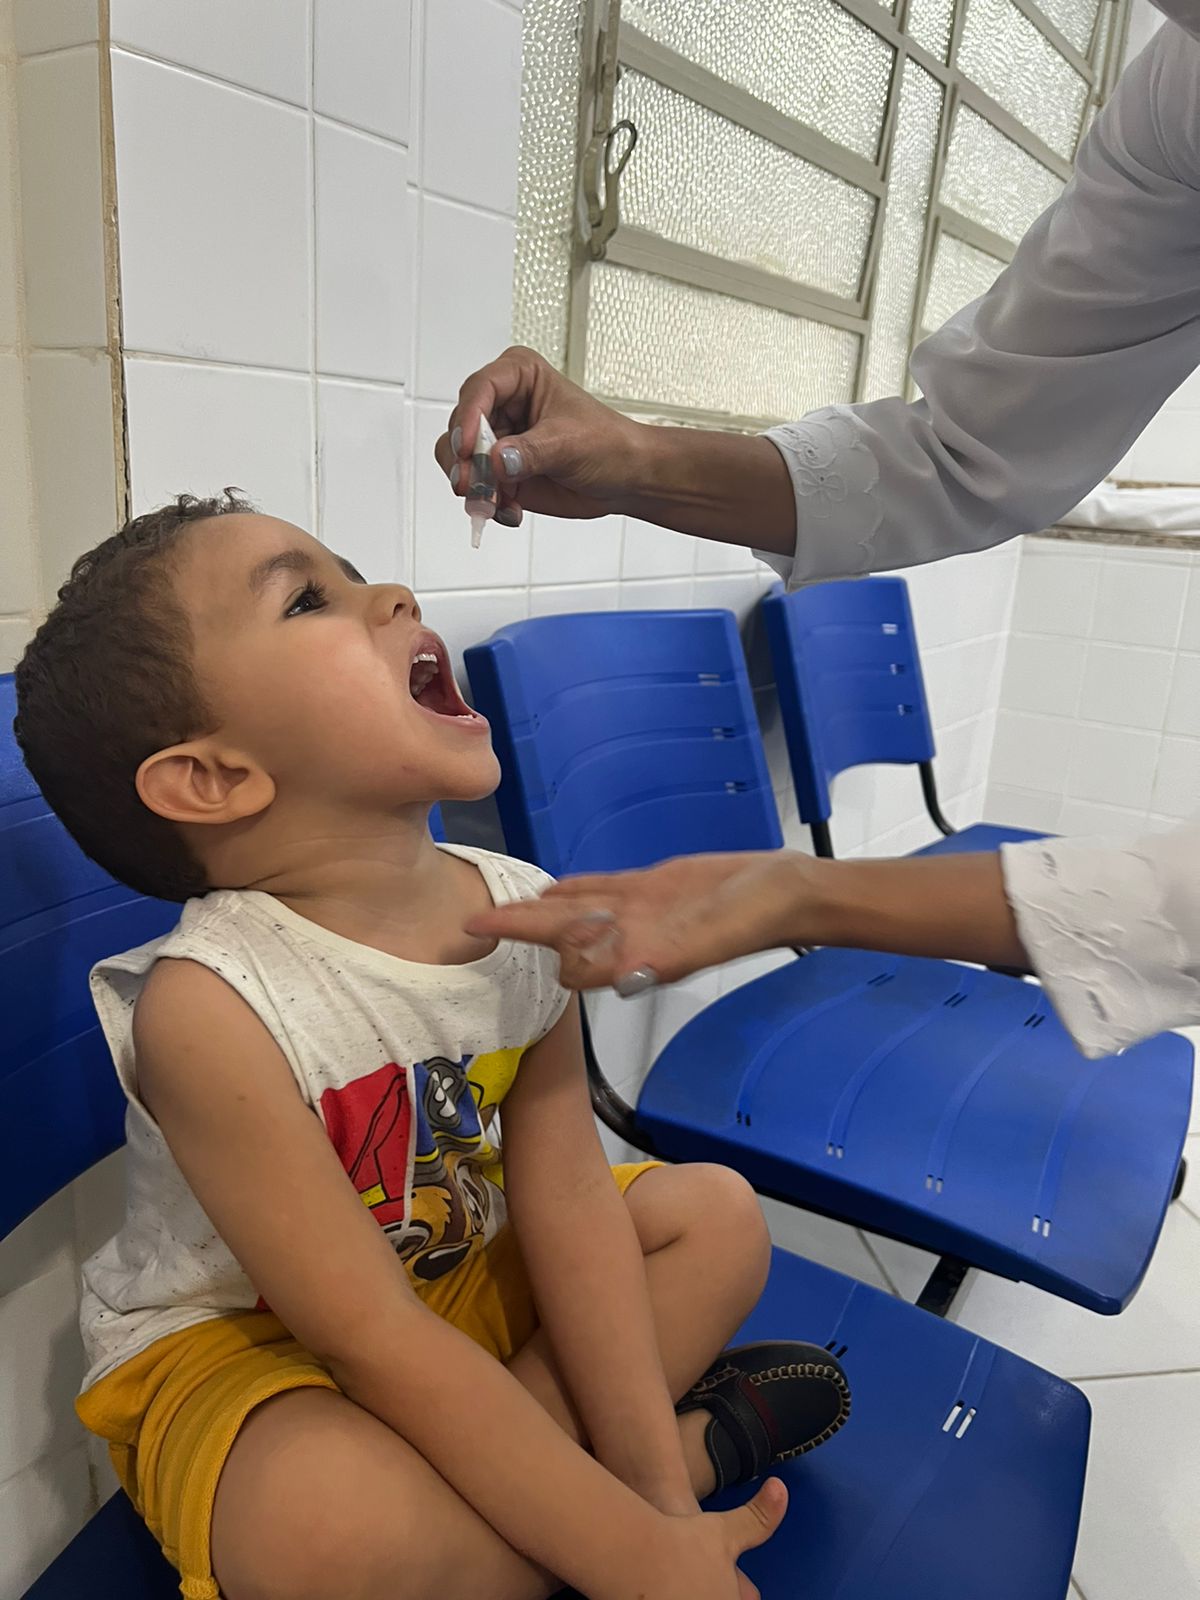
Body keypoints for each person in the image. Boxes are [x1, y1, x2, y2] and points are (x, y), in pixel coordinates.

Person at [13, 495, 852, 1600]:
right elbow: (367, 1336)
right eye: (310, 597)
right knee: (326, 1527)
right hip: (257, 1347)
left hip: (451, 1275)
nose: (392, 593)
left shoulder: (525, 914)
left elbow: (570, 1204)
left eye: (355, 569)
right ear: (214, 778)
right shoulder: (208, 1009)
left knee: (719, 1221)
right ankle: (663, 1465)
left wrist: (652, 1510)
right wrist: (635, 1561)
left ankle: (573, 1497)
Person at [438, 1, 1200, 1061]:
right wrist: (636, 462)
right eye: (305, 596)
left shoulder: (504, 961)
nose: (395, 599)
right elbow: (966, 452)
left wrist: (800, 892)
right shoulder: (1179, 99)